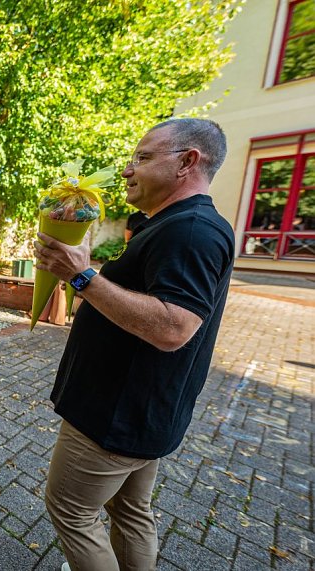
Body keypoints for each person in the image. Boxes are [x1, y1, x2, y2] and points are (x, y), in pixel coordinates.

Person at [34, 118, 234, 571]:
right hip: (145, 413)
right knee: (130, 511)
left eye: (142, 158)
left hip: (114, 416)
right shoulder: (177, 224)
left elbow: (173, 327)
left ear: (188, 162)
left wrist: (81, 276)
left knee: (72, 512)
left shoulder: (191, 231)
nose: (127, 170)